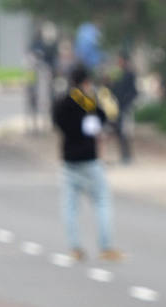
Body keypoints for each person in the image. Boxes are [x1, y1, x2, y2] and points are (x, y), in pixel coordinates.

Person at [52, 65, 122, 262]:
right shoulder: (86, 101)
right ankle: (106, 247)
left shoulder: (62, 101)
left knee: (70, 207)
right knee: (102, 202)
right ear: (85, 82)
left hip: (68, 159)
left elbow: (56, 120)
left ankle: (74, 247)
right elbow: (103, 116)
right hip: (90, 160)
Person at [110, 53, 139, 163]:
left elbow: (133, 92)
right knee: (119, 131)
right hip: (117, 106)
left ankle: (127, 155)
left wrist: (128, 102)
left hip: (126, 107)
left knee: (126, 131)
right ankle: (123, 154)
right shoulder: (117, 74)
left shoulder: (129, 74)